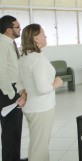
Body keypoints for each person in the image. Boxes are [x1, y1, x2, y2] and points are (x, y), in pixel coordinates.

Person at [17, 23, 63, 161]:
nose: (46, 36)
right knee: (40, 147)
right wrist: (56, 84)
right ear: (36, 39)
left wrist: (23, 94)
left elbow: (19, 82)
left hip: (31, 107)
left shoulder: (24, 57)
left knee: (35, 143)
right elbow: (42, 88)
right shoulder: (38, 59)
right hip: (42, 108)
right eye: (43, 33)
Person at [0, 15, 27, 161]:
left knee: (16, 129)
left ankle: (14, 158)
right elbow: (1, 72)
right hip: (7, 93)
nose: (20, 29)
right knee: (10, 131)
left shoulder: (10, 43)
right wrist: (12, 95)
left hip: (13, 89)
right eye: (17, 27)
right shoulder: (1, 44)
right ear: (9, 30)